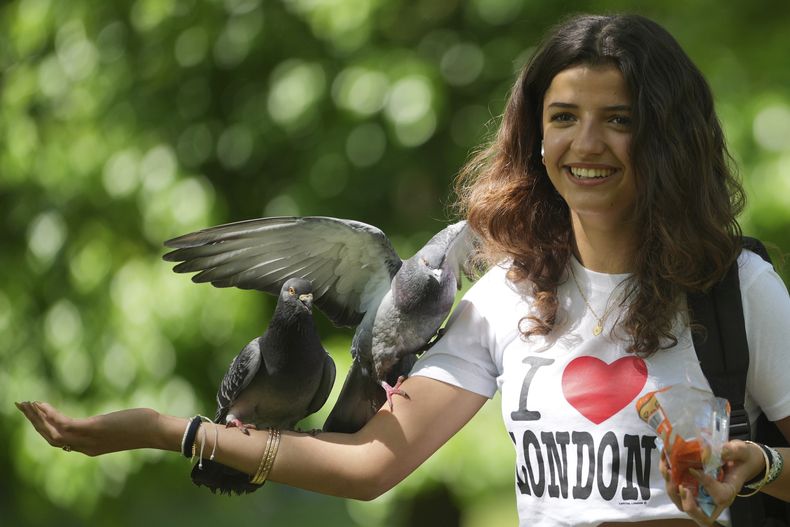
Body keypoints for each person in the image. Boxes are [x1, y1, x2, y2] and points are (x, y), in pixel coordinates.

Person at [16, 13, 790, 527]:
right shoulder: (505, 298)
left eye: (619, 119)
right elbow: (370, 463)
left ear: (666, 139)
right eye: (564, 118)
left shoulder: (738, 291)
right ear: (536, 137)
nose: (586, 143)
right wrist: (169, 430)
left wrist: (759, 465)